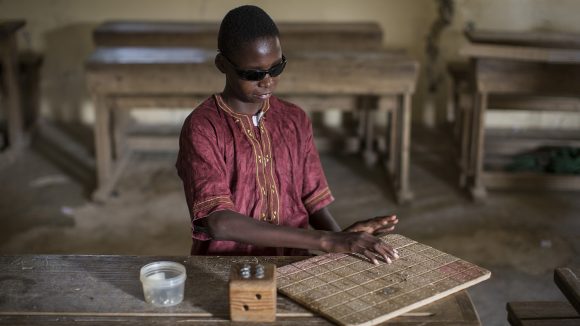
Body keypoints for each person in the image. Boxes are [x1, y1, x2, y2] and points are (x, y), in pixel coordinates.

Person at [176, 5, 399, 265]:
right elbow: (219, 222)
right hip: (229, 268)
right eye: (253, 74)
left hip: (295, 267)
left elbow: (312, 201)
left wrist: (343, 240)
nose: (268, 81)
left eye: (277, 68)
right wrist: (327, 241)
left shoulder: (294, 119)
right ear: (222, 64)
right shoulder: (203, 127)